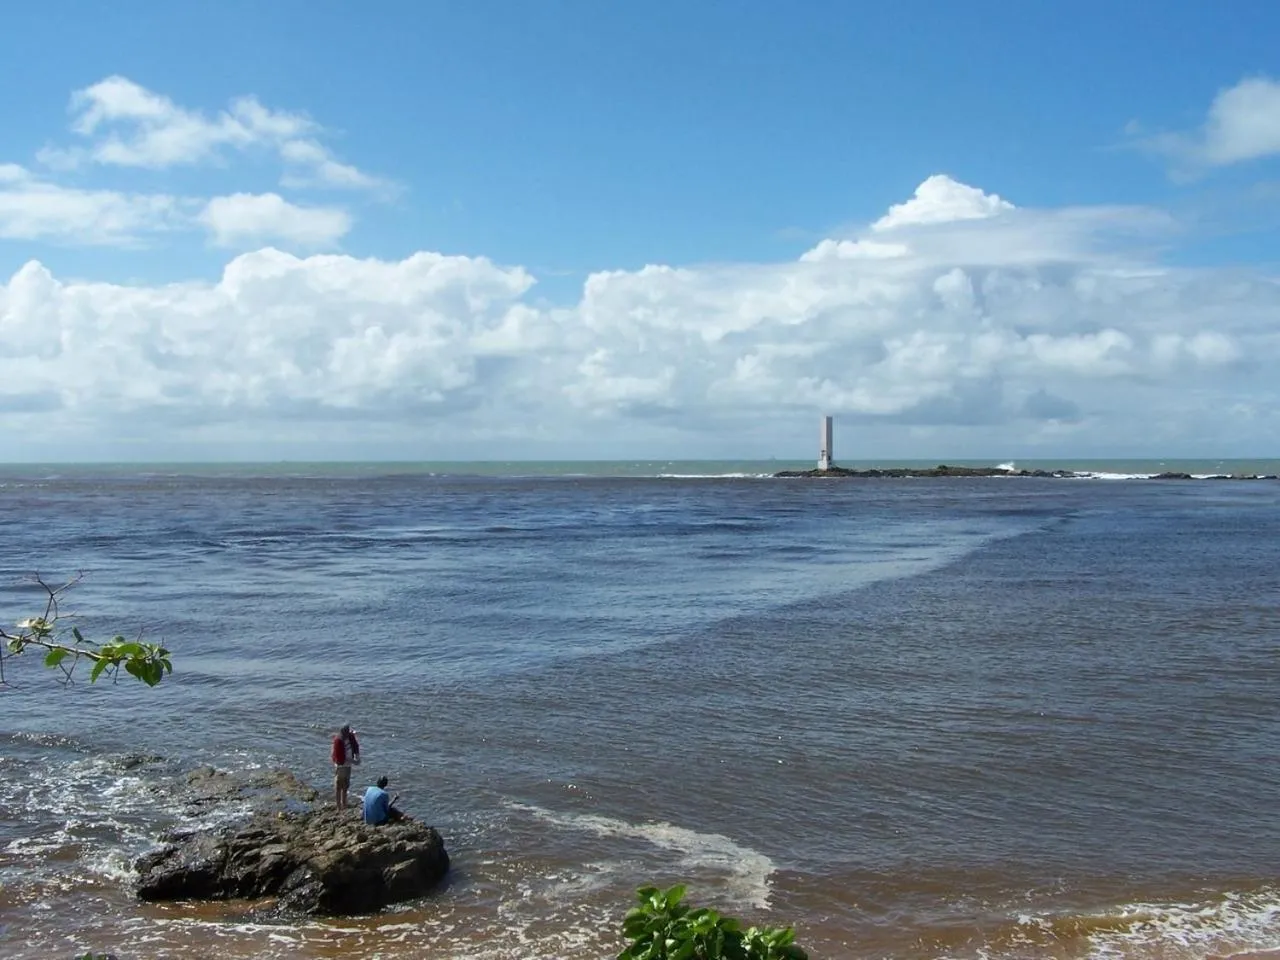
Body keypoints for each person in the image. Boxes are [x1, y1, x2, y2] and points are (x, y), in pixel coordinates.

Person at [331, 724, 361, 809]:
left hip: (348, 766)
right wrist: (353, 761)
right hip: (340, 766)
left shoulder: (350, 737)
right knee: (338, 786)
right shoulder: (338, 740)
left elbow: (355, 746)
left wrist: (357, 757)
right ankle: (338, 806)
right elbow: (340, 758)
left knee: (345, 785)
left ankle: (344, 803)